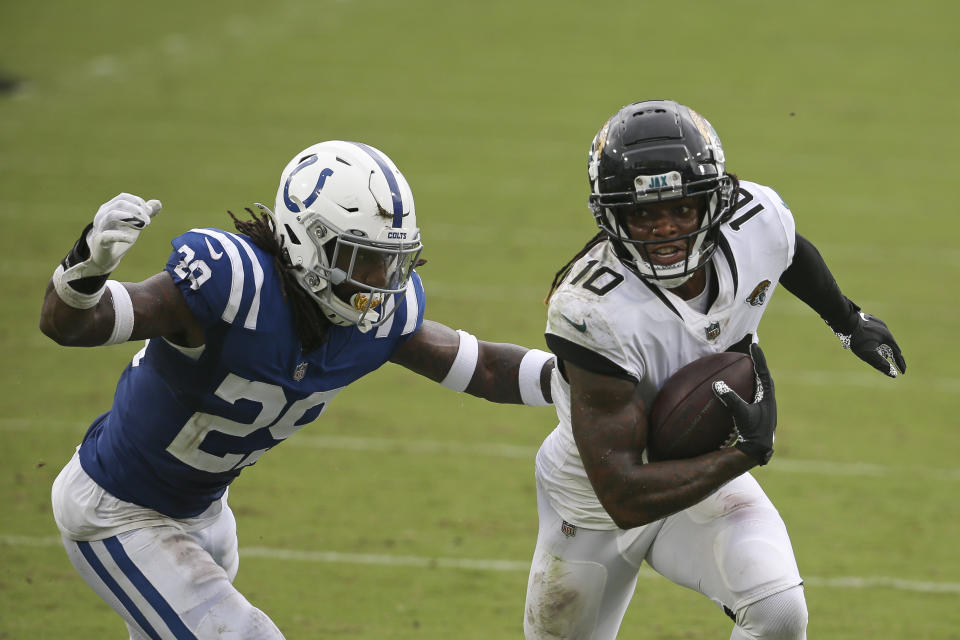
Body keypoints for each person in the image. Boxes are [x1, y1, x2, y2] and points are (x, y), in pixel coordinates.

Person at [40, 140, 556, 639]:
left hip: (205, 517)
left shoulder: (377, 318)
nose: (381, 281)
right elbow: (71, 326)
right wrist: (86, 271)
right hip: (117, 509)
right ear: (306, 242)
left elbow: (484, 367)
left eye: (390, 259)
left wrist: (577, 378)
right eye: (361, 259)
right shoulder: (234, 286)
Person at [523, 100, 906, 639]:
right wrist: (744, 453)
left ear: (715, 200)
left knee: (778, 615)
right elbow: (624, 495)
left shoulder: (756, 217)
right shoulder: (590, 310)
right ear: (612, 216)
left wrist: (847, 320)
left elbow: (788, 251)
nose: (665, 229)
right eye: (643, 213)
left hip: (701, 472)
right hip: (594, 501)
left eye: (682, 208)